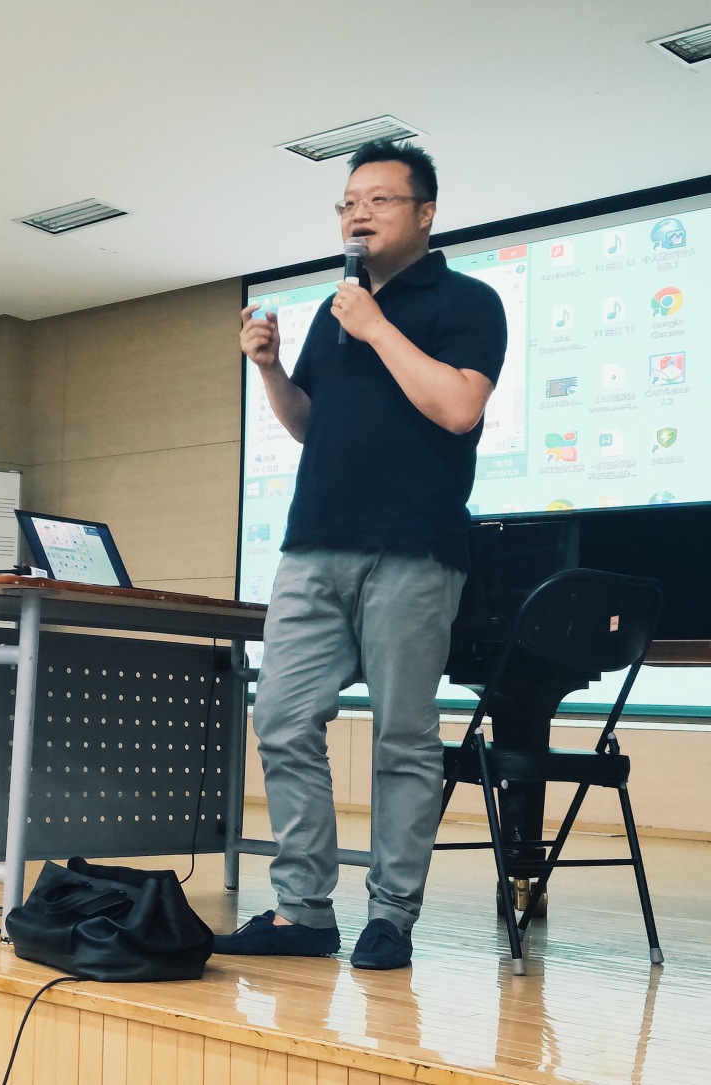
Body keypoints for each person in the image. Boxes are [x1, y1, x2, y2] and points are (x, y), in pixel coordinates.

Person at [215, 139, 507, 969]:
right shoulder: (335, 310)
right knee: (280, 716)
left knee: (403, 736)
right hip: (313, 545)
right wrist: (271, 370)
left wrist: (377, 328)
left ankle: (392, 915)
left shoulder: (469, 302)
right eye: (348, 203)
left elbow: (458, 408)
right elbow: (311, 424)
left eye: (379, 199)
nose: (358, 214)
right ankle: (303, 910)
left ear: (426, 212)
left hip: (413, 549)